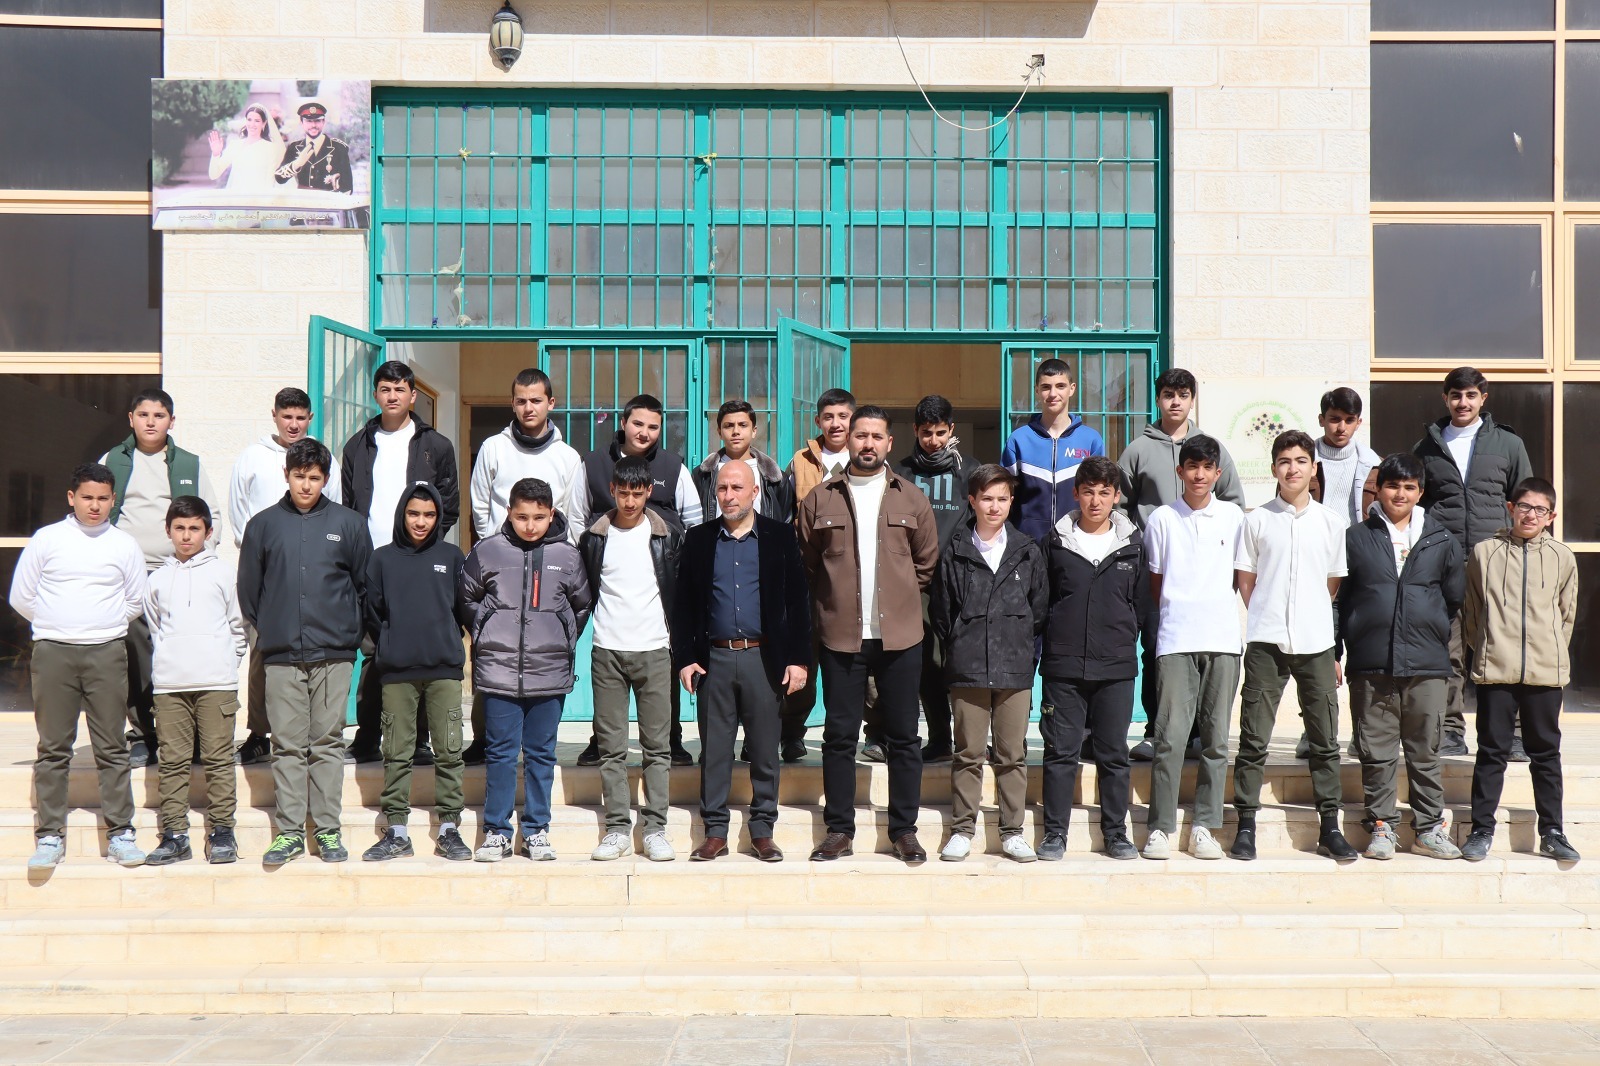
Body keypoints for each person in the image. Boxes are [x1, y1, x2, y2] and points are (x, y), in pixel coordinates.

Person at [797, 406, 939, 864]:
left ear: (889, 443)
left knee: (904, 737)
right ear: (848, 440)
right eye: (861, 435)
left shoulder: (911, 498)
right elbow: (808, 564)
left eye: (877, 436)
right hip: (841, 637)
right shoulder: (820, 499)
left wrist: (896, 600)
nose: (868, 444)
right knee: (839, 736)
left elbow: (925, 565)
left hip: (900, 638)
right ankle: (839, 830)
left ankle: (904, 830)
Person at [238, 438, 371, 866]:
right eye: (299, 476)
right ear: (286, 475)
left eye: (314, 477)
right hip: (281, 654)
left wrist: (348, 634)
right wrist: (274, 628)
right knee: (288, 745)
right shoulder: (263, 525)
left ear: (326, 479)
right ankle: (290, 833)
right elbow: (249, 591)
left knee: (327, 742)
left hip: (334, 653)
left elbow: (364, 586)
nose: (306, 485)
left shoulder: (349, 524)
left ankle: (328, 830)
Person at [673, 461, 812, 863]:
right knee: (715, 752)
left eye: (737, 488)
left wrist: (799, 660)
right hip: (714, 660)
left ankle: (763, 831)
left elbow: (798, 603)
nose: (728, 496)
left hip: (763, 660)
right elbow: (683, 606)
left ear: (755, 492)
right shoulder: (699, 539)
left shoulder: (779, 537)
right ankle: (714, 832)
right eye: (722, 488)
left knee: (765, 751)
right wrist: (685, 658)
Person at [11, 464, 148, 869]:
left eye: (103, 498)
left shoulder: (124, 544)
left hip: (106, 652)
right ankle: (50, 836)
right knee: (53, 747)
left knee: (112, 747)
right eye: (87, 497)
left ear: (113, 500)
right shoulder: (47, 539)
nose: (95, 505)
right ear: (71, 497)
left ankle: (121, 834)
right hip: (54, 653)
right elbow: (22, 596)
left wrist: (102, 625)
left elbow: (135, 599)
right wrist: (57, 624)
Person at [1230, 430, 1353, 863]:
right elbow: (1246, 580)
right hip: (1266, 642)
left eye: (1301, 460)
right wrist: (1267, 613)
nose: (1293, 468)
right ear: (1273, 469)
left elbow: (1332, 584)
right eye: (1284, 461)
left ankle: (1330, 827)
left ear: (1314, 468)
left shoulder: (1331, 523)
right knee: (1253, 738)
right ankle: (1245, 825)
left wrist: (1311, 619)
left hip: (1316, 643)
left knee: (1324, 739)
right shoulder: (1257, 520)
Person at [1336, 453, 1463, 861]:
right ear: (1378, 490)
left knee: (1425, 750)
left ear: (1420, 492)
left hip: (1426, 664)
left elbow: (1453, 599)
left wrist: (1429, 629)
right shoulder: (1356, 538)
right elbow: (1340, 600)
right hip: (1371, 662)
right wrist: (1337, 649)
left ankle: (1428, 830)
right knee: (1376, 751)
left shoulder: (1441, 539)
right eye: (1393, 486)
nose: (1400, 494)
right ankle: (1382, 827)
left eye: (1409, 487)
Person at [459, 478, 592, 863]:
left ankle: (536, 830)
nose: (530, 525)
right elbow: (466, 597)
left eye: (538, 517)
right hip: (499, 673)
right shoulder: (487, 551)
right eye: (522, 517)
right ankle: (497, 832)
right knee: (500, 754)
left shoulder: (567, 556)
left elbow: (582, 604)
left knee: (541, 754)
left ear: (551, 514)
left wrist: (561, 636)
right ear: (509, 513)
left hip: (548, 675)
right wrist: (487, 628)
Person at [1116, 368, 1244, 762]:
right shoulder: (1138, 449)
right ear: (1158, 400)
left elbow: (1234, 504)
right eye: (1168, 394)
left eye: (1183, 394)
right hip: (1155, 568)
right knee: (1156, 647)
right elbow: (1119, 507)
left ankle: (1199, 734)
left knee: (1206, 655)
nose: (1175, 401)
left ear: (1192, 399)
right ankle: (1156, 731)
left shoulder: (1211, 449)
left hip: (1205, 575)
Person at [340, 360, 458, 764]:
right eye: (385, 389)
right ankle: (368, 736)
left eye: (400, 389)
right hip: (373, 563)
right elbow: (350, 506)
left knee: (420, 651)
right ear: (376, 394)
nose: (392, 396)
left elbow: (449, 505)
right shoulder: (357, 445)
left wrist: (423, 546)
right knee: (375, 652)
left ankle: (420, 739)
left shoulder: (436, 445)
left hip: (418, 562)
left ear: (412, 395)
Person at [572, 394, 699, 767]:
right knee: (606, 659)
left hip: (662, 576)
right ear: (624, 423)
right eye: (638, 423)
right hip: (608, 573)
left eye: (653, 427)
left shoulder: (673, 467)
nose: (645, 432)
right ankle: (601, 739)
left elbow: (693, 520)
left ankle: (670, 738)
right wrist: (590, 561)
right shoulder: (593, 464)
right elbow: (577, 517)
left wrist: (681, 567)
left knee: (663, 655)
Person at [1413, 366, 1534, 758]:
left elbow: (1525, 501)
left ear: (1483, 397)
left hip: (1496, 560)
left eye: (1470, 395)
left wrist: (1523, 552)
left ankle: (1509, 733)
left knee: (1500, 646)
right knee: (1448, 648)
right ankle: (1450, 730)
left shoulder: (1508, 444)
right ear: (1445, 398)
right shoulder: (1426, 448)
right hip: (1445, 563)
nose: (1462, 403)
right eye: (1455, 395)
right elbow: (1418, 506)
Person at [466, 367, 584, 765]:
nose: (528, 407)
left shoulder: (567, 457)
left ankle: (538, 742)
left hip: (549, 567)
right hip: (500, 565)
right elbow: (480, 504)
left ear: (551, 403)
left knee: (542, 653)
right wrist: (495, 552)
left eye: (536, 400)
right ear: (512, 403)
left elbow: (574, 514)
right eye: (521, 400)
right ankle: (484, 738)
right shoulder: (493, 448)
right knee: (494, 652)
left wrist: (561, 559)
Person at [930, 465, 1047, 863]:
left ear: (1011, 502)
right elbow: (942, 610)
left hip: (1014, 667)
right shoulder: (956, 550)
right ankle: (962, 830)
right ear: (972, 501)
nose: (994, 507)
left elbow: (1039, 610)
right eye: (986, 499)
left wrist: (1021, 646)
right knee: (968, 753)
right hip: (968, 668)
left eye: (1002, 499)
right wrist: (961, 642)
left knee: (1012, 754)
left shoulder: (1027, 550)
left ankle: (1013, 832)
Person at [1461, 478, 1580, 864]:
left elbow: (1566, 614)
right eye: (1525, 506)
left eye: (1540, 509)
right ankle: (1481, 830)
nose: (1531, 515)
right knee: (1491, 752)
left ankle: (1553, 832)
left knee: (1545, 753)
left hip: (1545, 672)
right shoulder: (1485, 553)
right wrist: (1488, 648)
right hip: (1496, 669)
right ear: (1511, 508)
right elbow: (1472, 610)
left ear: (1551, 516)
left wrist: (1551, 650)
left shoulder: (1562, 557)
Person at [1033, 457, 1146, 862]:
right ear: (1075, 494)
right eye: (1088, 492)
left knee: (1113, 754)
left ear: (1116, 497)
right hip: (1064, 667)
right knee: (1060, 753)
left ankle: (1116, 833)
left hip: (1115, 667)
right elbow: (1041, 602)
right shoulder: (1055, 543)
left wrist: (1125, 639)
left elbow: (1142, 606)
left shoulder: (1134, 545)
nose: (1096, 501)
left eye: (1104, 493)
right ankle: (1055, 834)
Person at [99, 388, 219, 769]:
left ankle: (192, 736)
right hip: (130, 575)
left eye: (159, 415)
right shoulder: (112, 461)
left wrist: (199, 564)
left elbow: (212, 514)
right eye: (143, 415)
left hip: (177, 572)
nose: (151, 422)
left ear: (171, 421)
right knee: (137, 655)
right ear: (130, 419)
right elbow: (97, 511)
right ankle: (142, 735)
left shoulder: (189, 464)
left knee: (183, 651)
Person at [228, 386, 342, 766]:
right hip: (269, 572)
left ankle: (309, 734)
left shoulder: (325, 459)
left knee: (315, 658)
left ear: (310, 419)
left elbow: (334, 511)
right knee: (264, 653)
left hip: (314, 572)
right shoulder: (252, 457)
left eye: (300, 417)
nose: (293, 424)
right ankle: (259, 733)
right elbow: (239, 514)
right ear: (274, 415)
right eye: (286, 416)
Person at [1143, 436, 1245, 861]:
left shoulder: (1234, 517)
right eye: (1192, 467)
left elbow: (1241, 576)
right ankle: (1161, 827)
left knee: (1216, 741)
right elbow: (1156, 582)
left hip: (1223, 640)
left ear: (1218, 473)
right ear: (1180, 471)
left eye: (1207, 468)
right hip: (1176, 640)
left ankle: (1205, 826)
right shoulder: (1162, 519)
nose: (1199, 475)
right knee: (1169, 738)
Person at [578, 457, 683, 863]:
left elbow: (679, 592)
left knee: (657, 748)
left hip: (654, 650)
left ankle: (655, 828)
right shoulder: (594, 537)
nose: (629, 501)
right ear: (612, 490)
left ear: (648, 492)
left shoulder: (667, 536)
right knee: (611, 748)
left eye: (637, 494)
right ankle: (618, 829)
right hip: (607, 651)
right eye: (623, 493)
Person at [360, 483, 471, 863]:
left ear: (438, 518)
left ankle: (449, 828)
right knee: (396, 752)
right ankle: (396, 831)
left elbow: (463, 608)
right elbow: (373, 613)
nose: (421, 522)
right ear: (401, 515)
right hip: (397, 673)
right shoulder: (381, 560)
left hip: (444, 671)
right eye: (413, 514)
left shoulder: (452, 557)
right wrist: (395, 643)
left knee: (449, 750)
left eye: (429, 515)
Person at [142, 497, 248, 866]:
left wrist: (224, 663)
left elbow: (238, 627)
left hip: (216, 684)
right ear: (168, 530)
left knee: (218, 759)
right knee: (172, 761)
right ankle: (174, 835)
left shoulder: (224, 573)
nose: (186, 536)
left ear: (208, 531)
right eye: (179, 528)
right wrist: (170, 660)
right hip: (170, 686)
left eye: (194, 529)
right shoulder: (157, 579)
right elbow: (156, 629)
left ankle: (223, 832)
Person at [1294, 386, 1382, 761]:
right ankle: (1315, 731)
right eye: (1334, 419)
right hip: (1318, 566)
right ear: (1321, 420)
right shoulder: (1303, 460)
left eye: (1348, 420)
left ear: (1359, 422)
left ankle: (1364, 733)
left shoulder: (1374, 464)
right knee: (1319, 653)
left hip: (1360, 566)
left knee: (1363, 653)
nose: (1340, 427)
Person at [895, 394, 978, 764]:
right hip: (917, 584)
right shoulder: (900, 473)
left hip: (961, 581)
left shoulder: (970, 471)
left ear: (951, 430)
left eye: (940, 432)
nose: (933, 440)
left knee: (964, 663)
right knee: (927, 664)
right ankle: (940, 739)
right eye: (926, 433)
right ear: (915, 430)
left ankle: (971, 740)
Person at [780, 387, 856, 762]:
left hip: (854, 580)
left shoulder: (867, 459)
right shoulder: (800, 461)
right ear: (818, 421)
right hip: (808, 577)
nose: (835, 423)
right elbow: (785, 518)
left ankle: (866, 734)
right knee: (802, 658)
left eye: (843, 416)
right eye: (828, 417)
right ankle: (792, 733)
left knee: (853, 663)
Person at [1001, 358, 1105, 547]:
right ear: (1037, 390)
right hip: (1027, 545)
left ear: (1072, 389)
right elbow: (1003, 495)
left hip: (1077, 543)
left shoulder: (1091, 440)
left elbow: (1099, 495)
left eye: (1060, 386)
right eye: (1046, 387)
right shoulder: (1018, 440)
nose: (1053, 394)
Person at [690, 400, 794, 524]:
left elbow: (786, 523)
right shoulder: (702, 476)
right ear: (719, 432)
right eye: (729, 425)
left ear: (754, 431)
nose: (736, 431)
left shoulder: (776, 479)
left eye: (743, 425)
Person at [274, 100, 354, 193]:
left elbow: (347, 188)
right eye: (308, 121)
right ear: (301, 123)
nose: (313, 125)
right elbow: (279, 178)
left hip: (328, 200)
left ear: (323, 122)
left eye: (317, 121)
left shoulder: (339, 148)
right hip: (303, 200)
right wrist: (297, 163)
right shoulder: (294, 147)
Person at [208, 103, 285, 193]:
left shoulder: (270, 148)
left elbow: (269, 182)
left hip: (258, 198)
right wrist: (216, 154)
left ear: (263, 124)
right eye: (249, 120)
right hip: (237, 197)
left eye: (257, 121)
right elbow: (214, 175)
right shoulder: (235, 145)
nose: (252, 124)